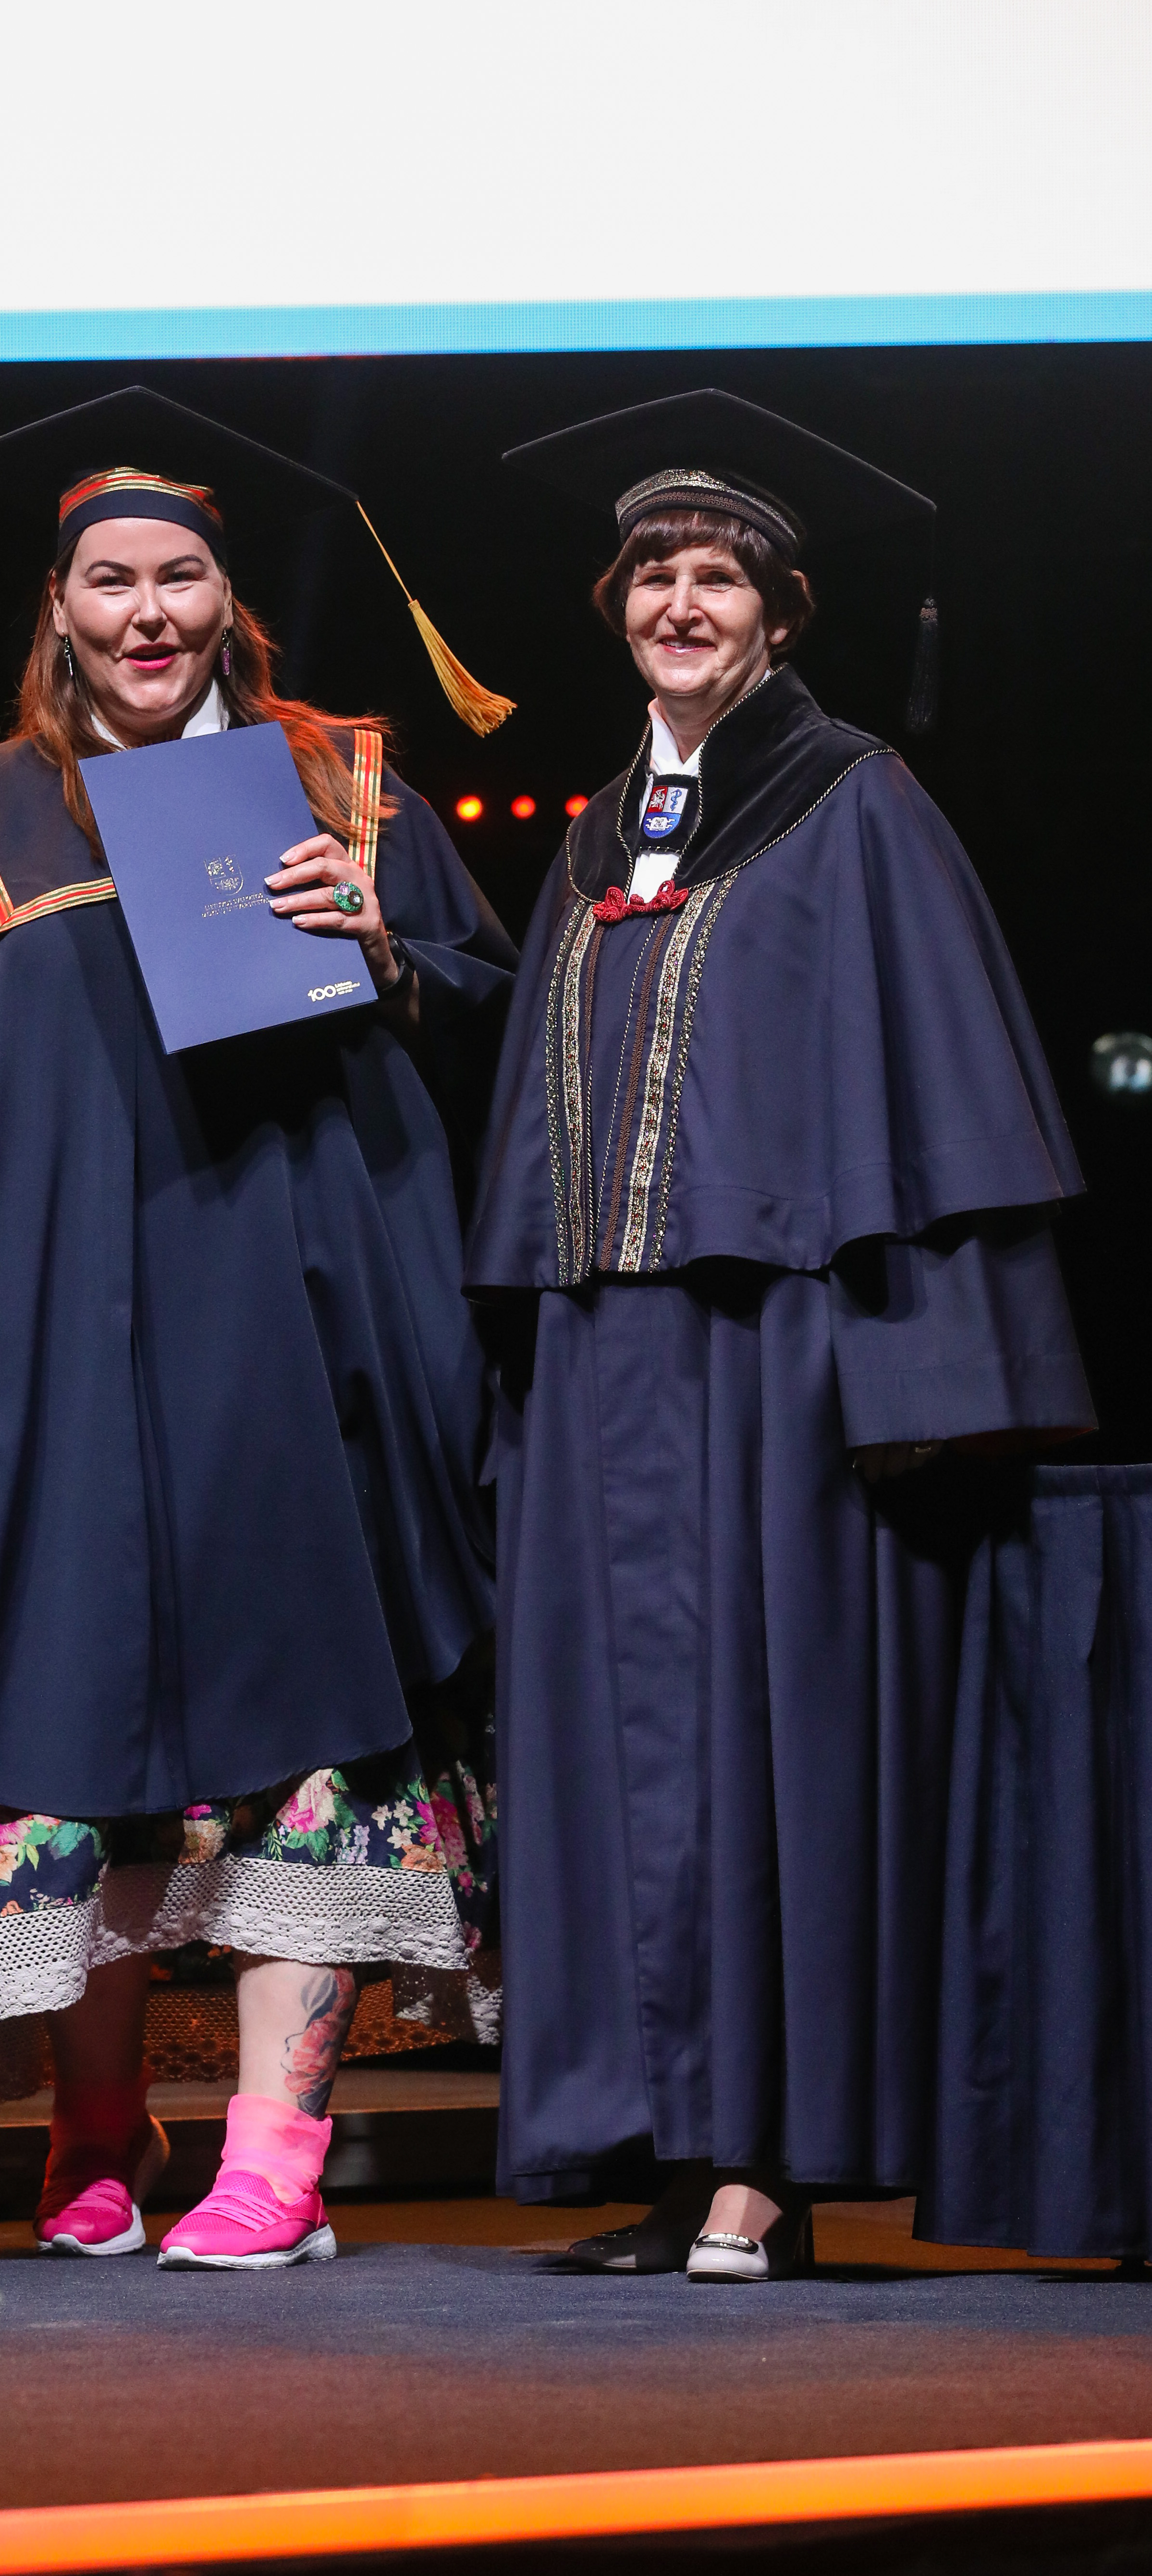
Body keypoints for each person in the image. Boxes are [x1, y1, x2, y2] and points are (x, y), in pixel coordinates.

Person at [0, 389, 514, 2268]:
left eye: (181, 578)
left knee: (313, 1728)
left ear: (231, 602)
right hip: (62, 1341)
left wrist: (386, 947)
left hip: (299, 1343)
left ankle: (280, 2151)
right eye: (110, 582)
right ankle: (99, 2118)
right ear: (58, 607)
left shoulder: (346, 785)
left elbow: (501, 1024)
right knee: (82, 1716)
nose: (147, 613)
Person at [467, 390, 1092, 2280]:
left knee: (765, 1748)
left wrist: (909, 1364)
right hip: (607, 1365)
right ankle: (663, 2145)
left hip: (771, 1364)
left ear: (779, 612)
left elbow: (936, 1095)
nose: (680, 601)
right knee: (615, 1757)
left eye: (717, 576)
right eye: (653, 573)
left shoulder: (850, 802)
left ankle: (765, 2162)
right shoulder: (594, 834)